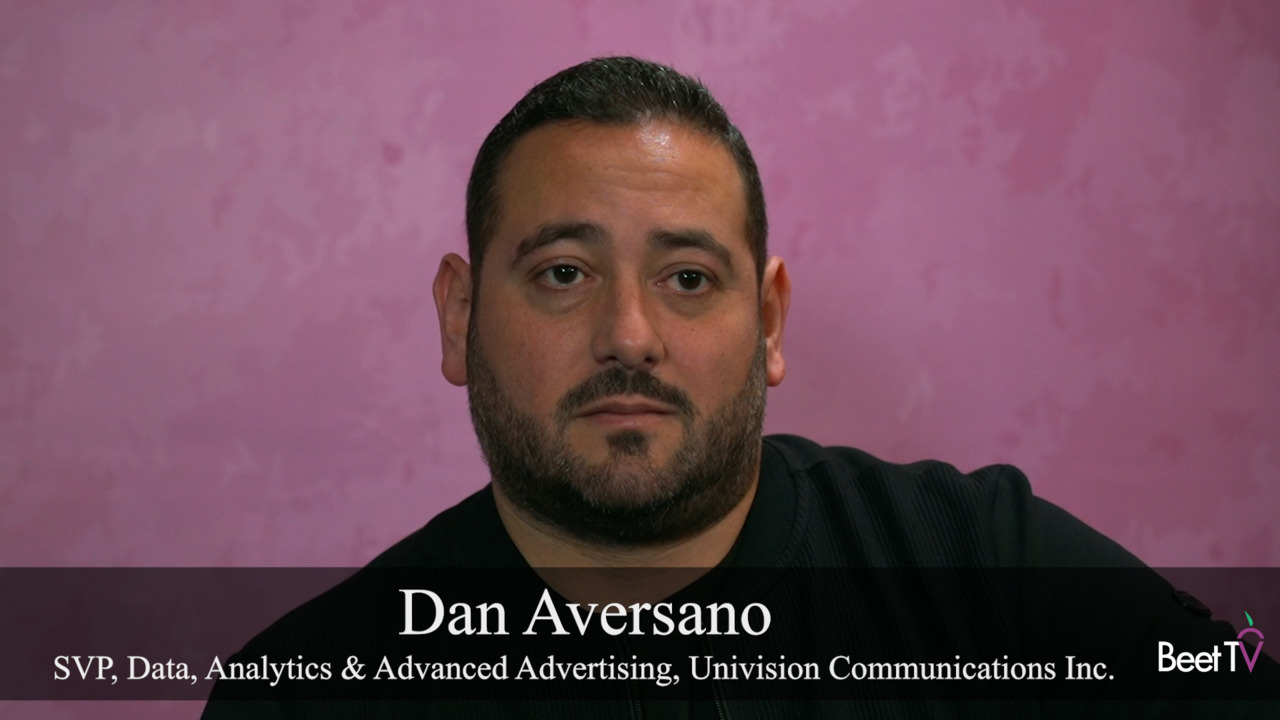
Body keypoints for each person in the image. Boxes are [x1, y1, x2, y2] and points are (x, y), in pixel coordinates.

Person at [202, 56, 1276, 718]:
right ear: (460, 316)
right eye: (564, 274)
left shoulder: (984, 566)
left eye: (687, 278)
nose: (629, 337)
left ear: (766, 321)